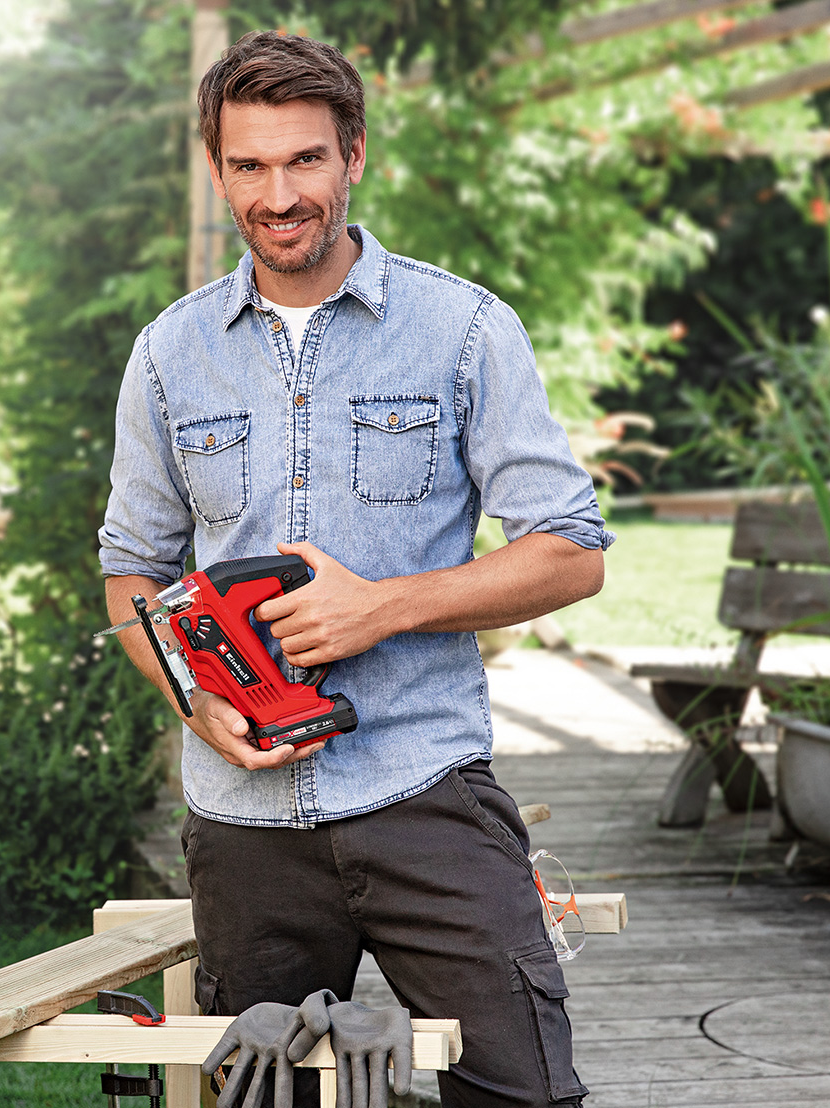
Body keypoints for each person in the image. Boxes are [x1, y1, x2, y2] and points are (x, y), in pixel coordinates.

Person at [97, 30, 611, 1108]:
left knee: (525, 1091)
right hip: (243, 826)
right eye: (249, 165)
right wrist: (194, 699)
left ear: (354, 157)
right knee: (254, 1100)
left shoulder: (461, 330)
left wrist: (382, 608)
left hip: (423, 790)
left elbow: (570, 550)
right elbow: (132, 573)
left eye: (304, 161)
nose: (277, 193)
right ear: (217, 168)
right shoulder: (169, 352)